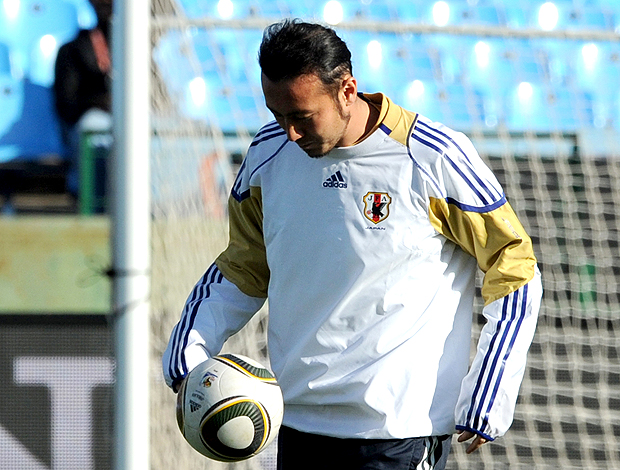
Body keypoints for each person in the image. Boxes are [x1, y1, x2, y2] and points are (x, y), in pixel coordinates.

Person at [162, 19, 542, 469]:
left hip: (398, 431)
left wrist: (489, 389)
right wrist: (189, 355)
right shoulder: (267, 156)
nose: (289, 133)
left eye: (302, 117)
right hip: (296, 425)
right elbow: (243, 267)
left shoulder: (432, 157)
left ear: (347, 89)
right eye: (276, 115)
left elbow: (514, 269)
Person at [53, 0, 112, 202]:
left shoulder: (136, 48)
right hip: (86, 121)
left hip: (126, 118)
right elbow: (66, 103)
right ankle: (87, 194)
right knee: (96, 124)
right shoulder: (73, 50)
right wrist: (102, 103)